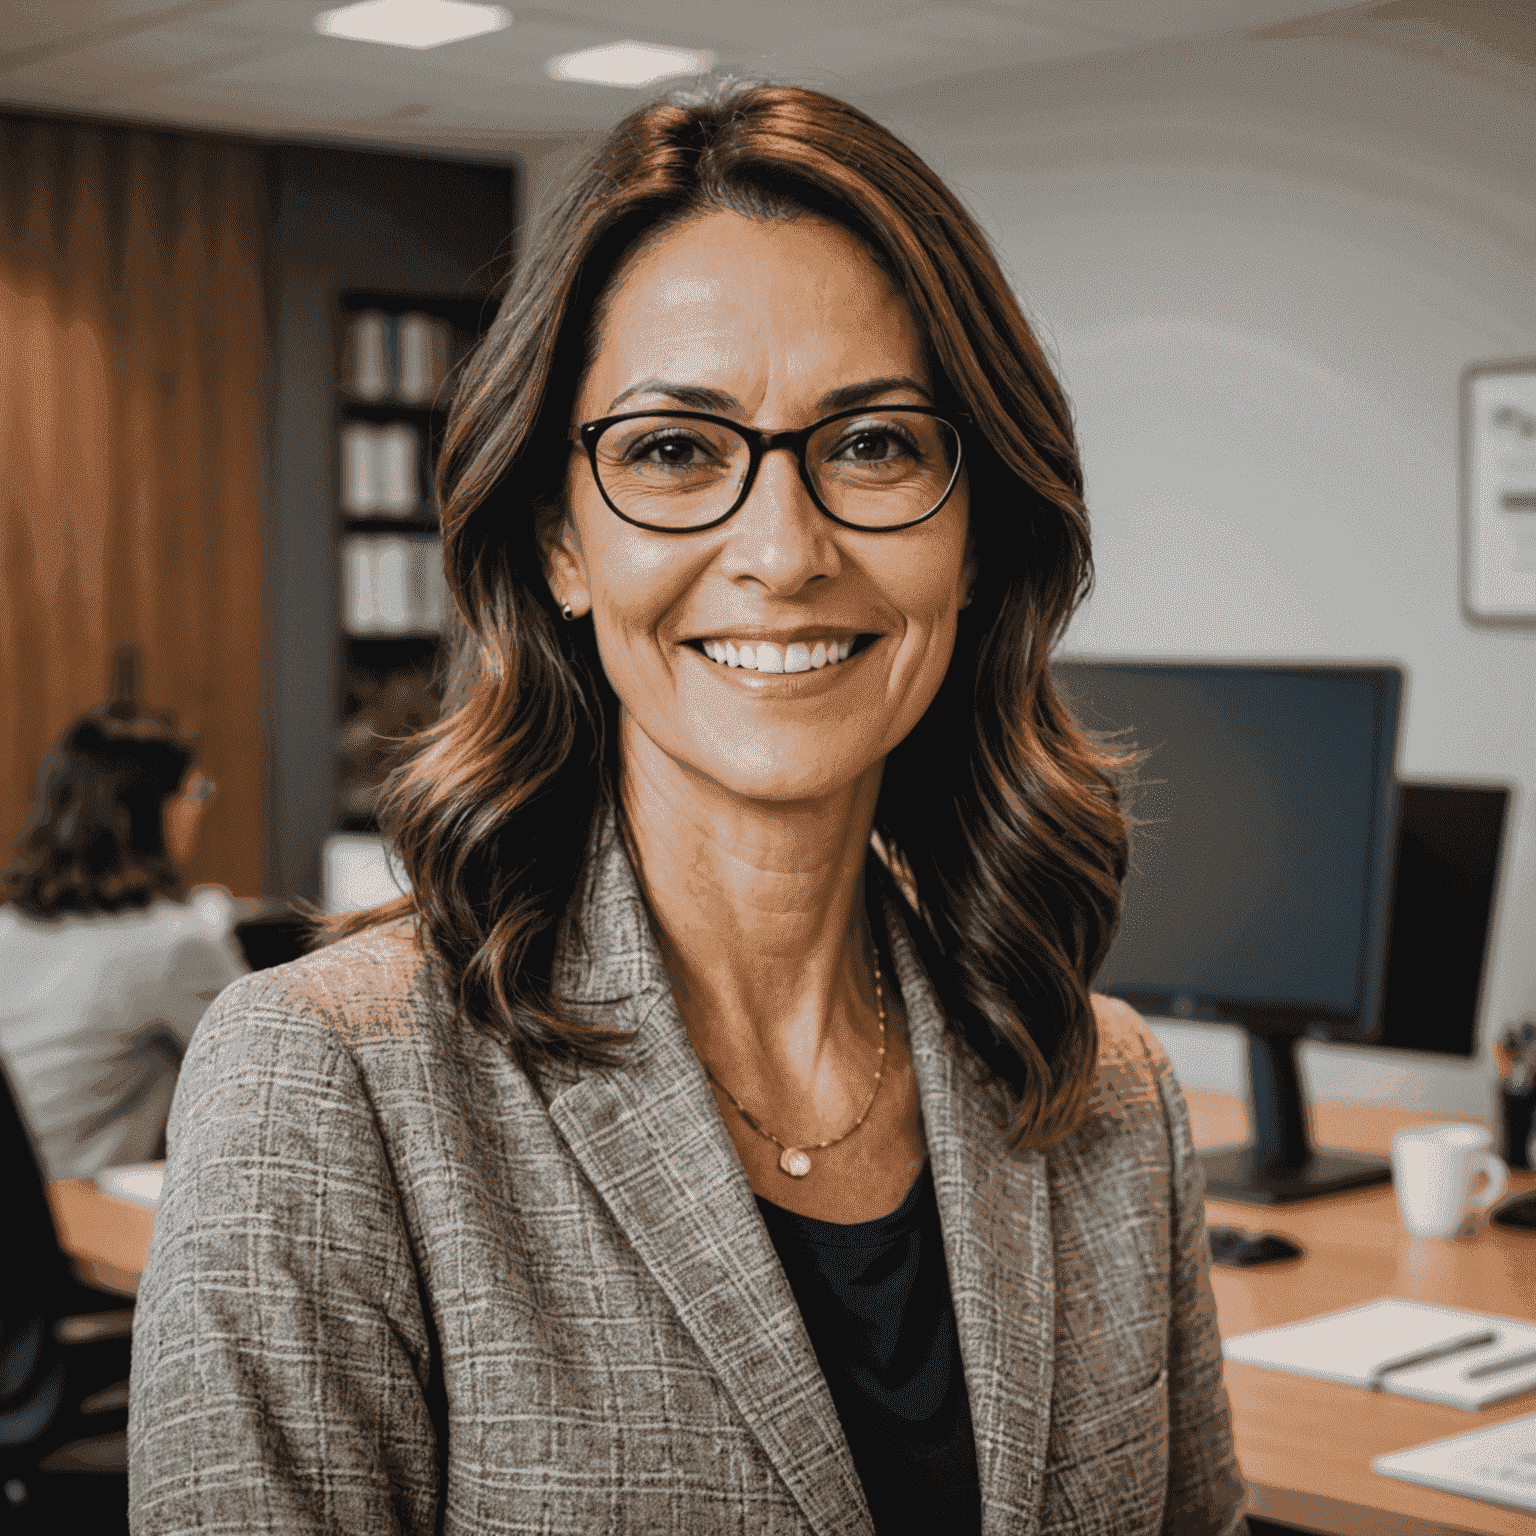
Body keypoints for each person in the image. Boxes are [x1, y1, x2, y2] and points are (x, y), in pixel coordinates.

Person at [127, 80, 1248, 1535]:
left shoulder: (1105, 1092)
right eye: (673, 451)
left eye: (874, 445)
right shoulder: (329, 1086)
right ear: (560, 544)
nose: (782, 551)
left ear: (976, 542)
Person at [0, 705, 247, 1182]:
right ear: (155, 809)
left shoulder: (8, 926)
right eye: (197, 790)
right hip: (78, 1230)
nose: (202, 807)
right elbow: (272, 1069)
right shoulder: (175, 946)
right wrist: (210, 928)